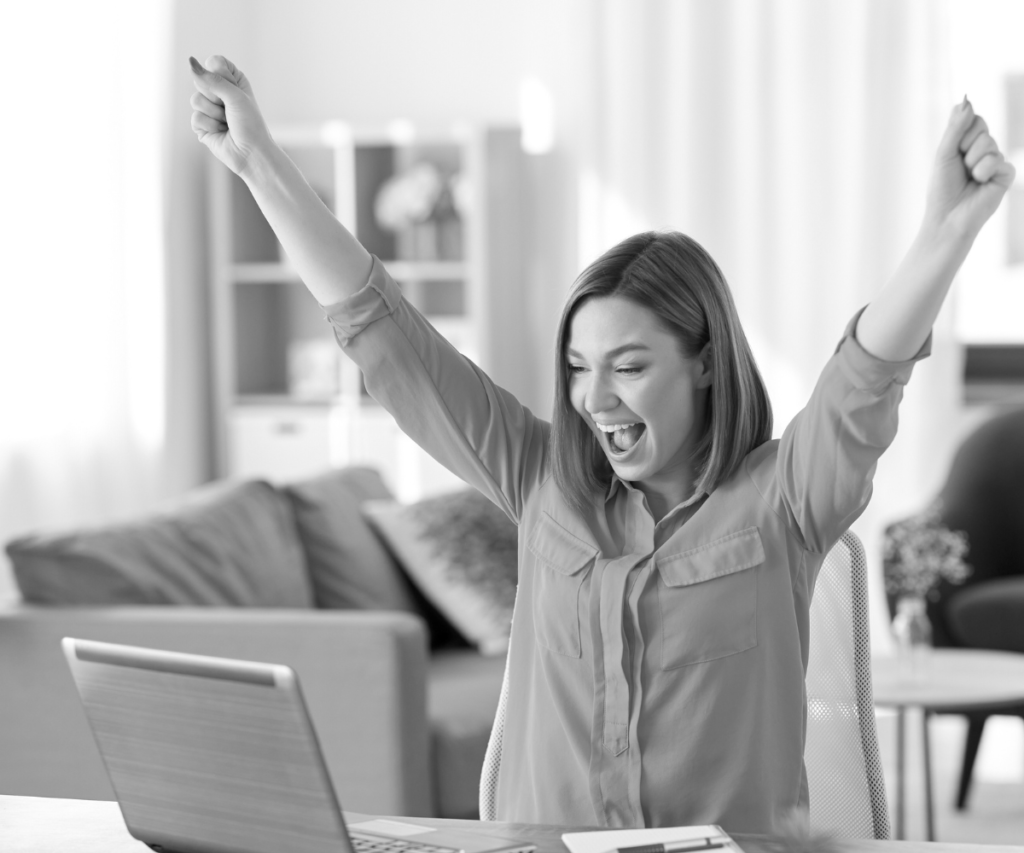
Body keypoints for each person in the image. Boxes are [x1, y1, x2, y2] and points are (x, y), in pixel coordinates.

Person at [188, 55, 1014, 833]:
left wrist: (948, 231)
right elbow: (384, 333)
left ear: (704, 363)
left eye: (628, 366)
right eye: (579, 368)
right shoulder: (540, 478)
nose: (594, 399)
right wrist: (258, 161)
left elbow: (865, 375)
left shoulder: (785, 500)